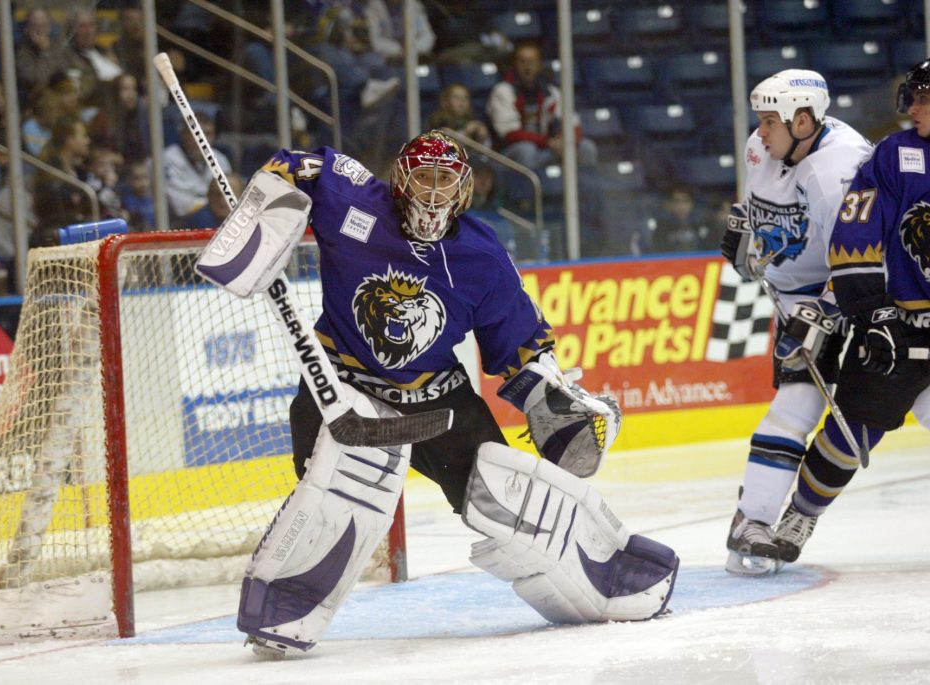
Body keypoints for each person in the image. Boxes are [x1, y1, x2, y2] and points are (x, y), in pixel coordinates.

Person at [203, 130, 678, 656]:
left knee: (505, 494)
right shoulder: (356, 204)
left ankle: (606, 572)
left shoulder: (480, 254)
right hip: (340, 383)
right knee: (332, 496)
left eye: (444, 180)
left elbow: (517, 342)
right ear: (400, 181)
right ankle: (284, 605)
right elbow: (302, 166)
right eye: (423, 177)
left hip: (437, 397)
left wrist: (548, 395)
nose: (432, 192)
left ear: (465, 189)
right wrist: (265, 198)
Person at [769, 60, 930, 567]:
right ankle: (802, 511)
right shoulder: (897, 155)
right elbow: (855, 234)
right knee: (850, 432)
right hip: (901, 329)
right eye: (915, 95)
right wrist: (872, 312)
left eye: (926, 97)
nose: (915, 106)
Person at [718, 69, 873, 575]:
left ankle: (771, 516)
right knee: (798, 402)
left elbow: (863, 260)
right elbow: (757, 212)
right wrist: (746, 240)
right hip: (795, 300)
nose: (759, 131)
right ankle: (753, 520)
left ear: (803, 120)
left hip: (859, 296)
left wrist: (826, 308)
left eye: (769, 121)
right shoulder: (763, 146)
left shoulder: (840, 173)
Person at [486, 41, 597, 172]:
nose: (527, 67)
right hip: (510, 153)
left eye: (532, 62)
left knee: (586, 147)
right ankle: (529, 191)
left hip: (547, 148)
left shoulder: (551, 91)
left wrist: (564, 142)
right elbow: (510, 133)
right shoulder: (503, 91)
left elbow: (574, 124)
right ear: (514, 64)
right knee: (526, 150)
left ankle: (584, 190)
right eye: (522, 61)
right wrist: (547, 142)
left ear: (539, 65)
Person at [32, 114, 92, 245]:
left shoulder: (80, 170)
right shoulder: (50, 173)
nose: (87, 141)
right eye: (83, 136)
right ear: (70, 140)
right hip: (54, 237)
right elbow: (50, 210)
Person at [163, 110, 231, 220]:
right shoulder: (167, 159)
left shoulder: (220, 159)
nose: (202, 140)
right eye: (197, 134)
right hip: (180, 223)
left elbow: (231, 198)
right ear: (183, 134)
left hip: (217, 219)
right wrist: (214, 204)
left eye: (208, 134)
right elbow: (181, 206)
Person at [15, 7, 65, 106]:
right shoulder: (22, 53)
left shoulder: (57, 47)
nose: (39, 30)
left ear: (49, 28)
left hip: (60, 95)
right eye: (35, 26)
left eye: (43, 26)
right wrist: (44, 52)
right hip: (36, 102)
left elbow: (64, 71)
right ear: (27, 29)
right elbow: (39, 81)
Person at [427, 82, 491, 147]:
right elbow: (445, 146)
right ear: (445, 102)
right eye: (456, 97)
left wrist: (482, 137)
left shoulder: (471, 121)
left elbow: (486, 150)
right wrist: (466, 132)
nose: (462, 102)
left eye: (465, 98)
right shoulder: (439, 121)